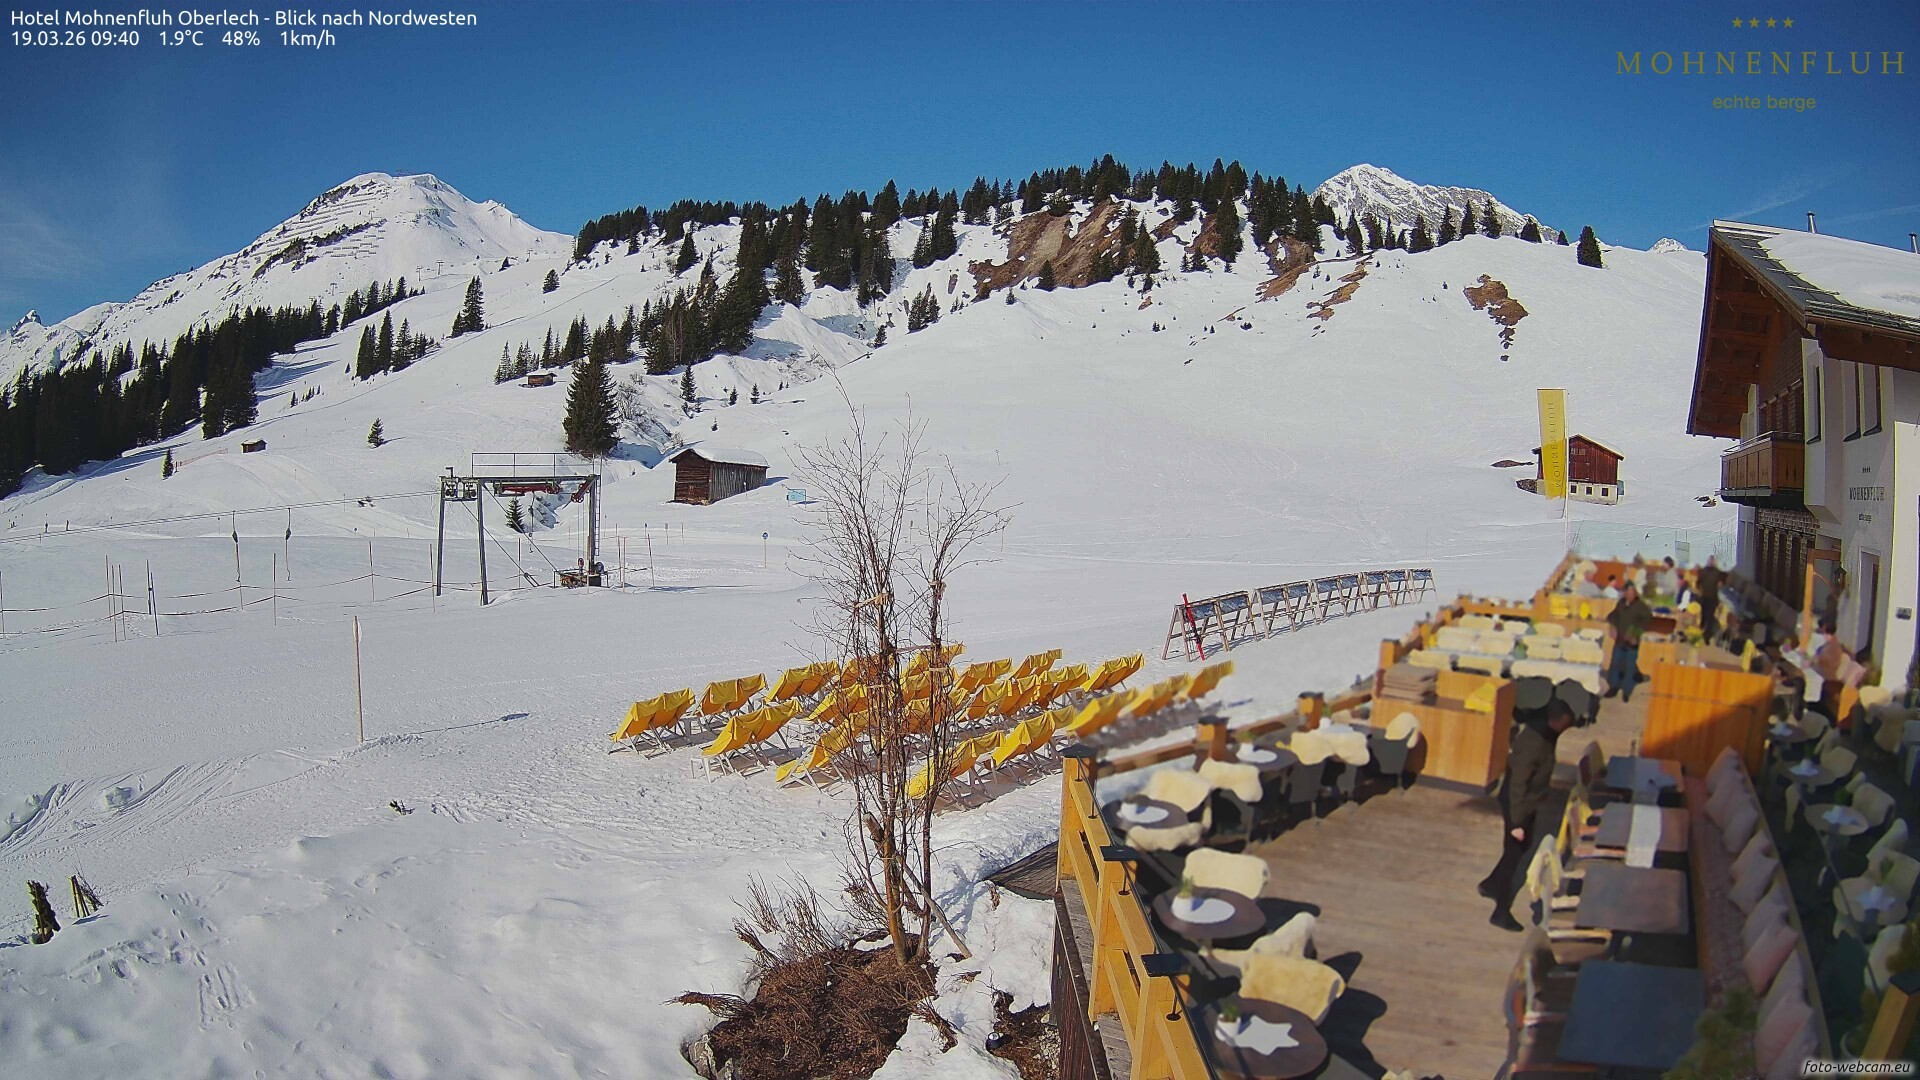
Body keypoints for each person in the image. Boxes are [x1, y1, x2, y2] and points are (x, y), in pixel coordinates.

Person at [1480, 694, 1578, 931]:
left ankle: (1491, 884)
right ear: (1555, 720)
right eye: (1565, 724)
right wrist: (1517, 822)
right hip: (1518, 805)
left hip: (1528, 803)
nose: (1567, 728)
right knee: (1514, 858)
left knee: (1520, 849)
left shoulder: (1546, 734)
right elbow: (1517, 785)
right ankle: (1501, 911)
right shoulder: (1533, 744)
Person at [1603, 581, 1654, 701]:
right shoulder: (1621, 603)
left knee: (1630, 667)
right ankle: (1613, 687)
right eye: (1628, 591)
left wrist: (1635, 633)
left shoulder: (1641, 606)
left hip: (1632, 642)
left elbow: (1648, 621)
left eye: (1633, 591)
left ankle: (1627, 692)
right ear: (1625, 592)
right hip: (1620, 640)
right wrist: (1612, 627)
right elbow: (1612, 616)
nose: (1631, 594)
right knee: (1615, 664)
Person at [1696, 556, 1724, 642]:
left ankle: (1707, 636)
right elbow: (1698, 582)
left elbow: (1720, 586)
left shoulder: (1718, 573)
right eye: (1710, 561)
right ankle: (1699, 632)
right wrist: (1699, 590)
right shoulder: (1704, 571)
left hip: (1713, 598)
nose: (1711, 562)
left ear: (1715, 562)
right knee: (1703, 615)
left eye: (1713, 561)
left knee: (1710, 617)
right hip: (1704, 597)